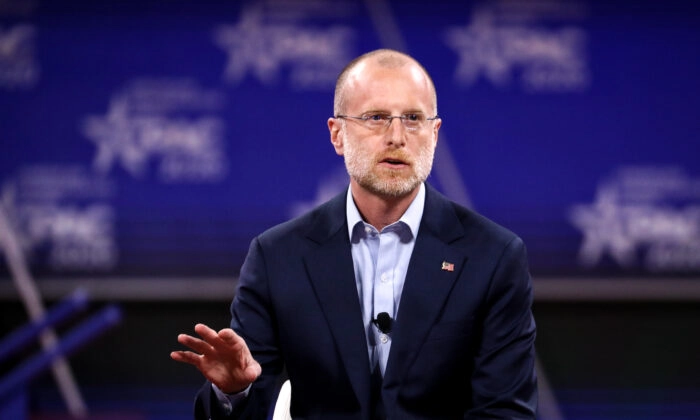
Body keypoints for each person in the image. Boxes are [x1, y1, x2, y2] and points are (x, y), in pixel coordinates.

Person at [171, 49, 537, 419]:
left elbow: (505, 412)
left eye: (413, 119)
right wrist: (235, 390)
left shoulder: (493, 256)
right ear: (337, 134)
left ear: (434, 133)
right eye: (376, 118)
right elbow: (246, 405)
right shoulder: (277, 256)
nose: (397, 136)